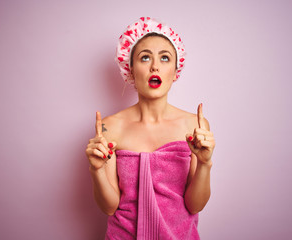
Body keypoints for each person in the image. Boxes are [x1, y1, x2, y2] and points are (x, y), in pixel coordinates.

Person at [85, 17, 215, 240]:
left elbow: (195, 206)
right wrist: (96, 170)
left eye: (165, 58)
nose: (155, 66)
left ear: (175, 71)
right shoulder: (109, 127)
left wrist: (204, 163)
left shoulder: (195, 125)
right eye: (145, 58)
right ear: (131, 70)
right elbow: (109, 207)